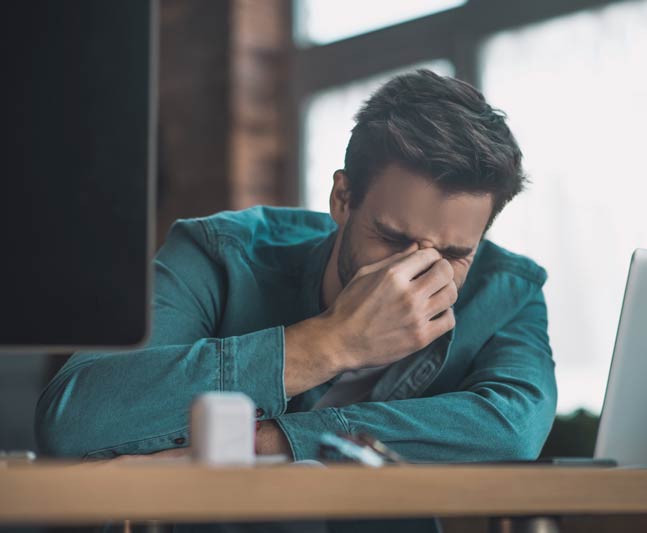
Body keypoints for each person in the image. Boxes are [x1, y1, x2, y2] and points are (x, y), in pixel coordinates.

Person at [35, 69, 557, 531]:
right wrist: (330, 344)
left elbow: (511, 430)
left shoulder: (508, 291)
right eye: (394, 239)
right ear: (342, 198)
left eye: (453, 252)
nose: (409, 275)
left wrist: (262, 441)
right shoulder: (219, 254)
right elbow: (75, 420)